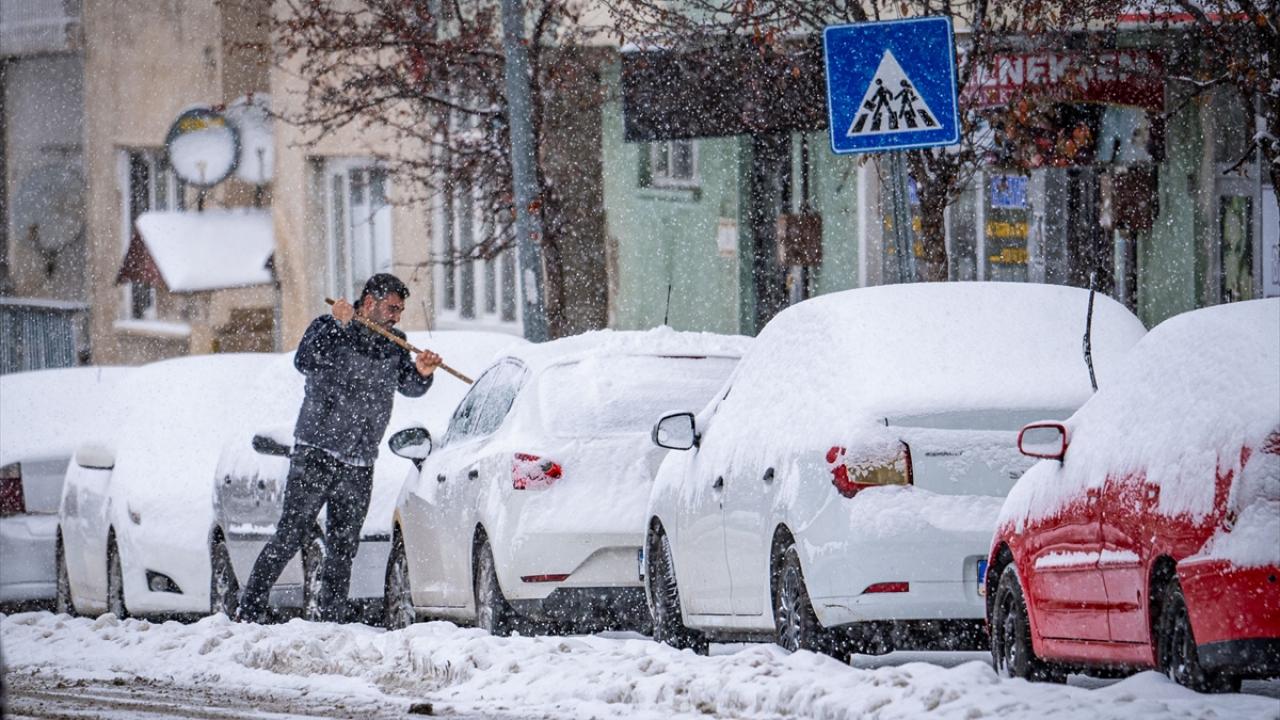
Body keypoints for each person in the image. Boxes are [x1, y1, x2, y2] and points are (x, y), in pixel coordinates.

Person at [235, 273, 442, 623]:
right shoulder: (328, 327)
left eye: (401, 310)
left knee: (344, 546)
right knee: (291, 535)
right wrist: (339, 326)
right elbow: (306, 361)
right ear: (371, 302)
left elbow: (408, 386)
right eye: (392, 308)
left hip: (360, 460)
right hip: (316, 450)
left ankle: (332, 622)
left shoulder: (394, 342)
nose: (396, 316)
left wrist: (422, 373)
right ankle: (249, 610)